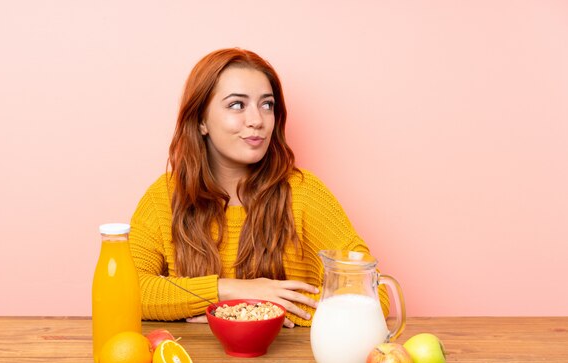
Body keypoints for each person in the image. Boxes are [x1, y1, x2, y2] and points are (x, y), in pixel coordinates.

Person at [129, 48, 389, 328]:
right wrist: (229, 291)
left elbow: (375, 296)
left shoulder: (303, 193)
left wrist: (245, 310)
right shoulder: (165, 196)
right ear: (201, 120)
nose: (258, 120)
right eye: (237, 105)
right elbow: (127, 291)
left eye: (267, 105)